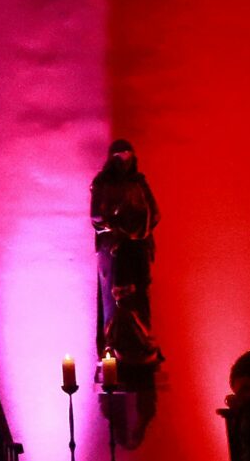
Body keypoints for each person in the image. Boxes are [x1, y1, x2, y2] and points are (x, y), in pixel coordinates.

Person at [90, 139, 163, 366]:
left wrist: (136, 228)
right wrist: (117, 229)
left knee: (139, 298)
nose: (122, 162)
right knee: (113, 300)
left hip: (137, 249)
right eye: (118, 157)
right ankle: (113, 346)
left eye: (126, 156)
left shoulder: (139, 183)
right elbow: (97, 217)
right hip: (113, 252)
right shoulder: (102, 183)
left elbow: (154, 213)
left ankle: (141, 344)